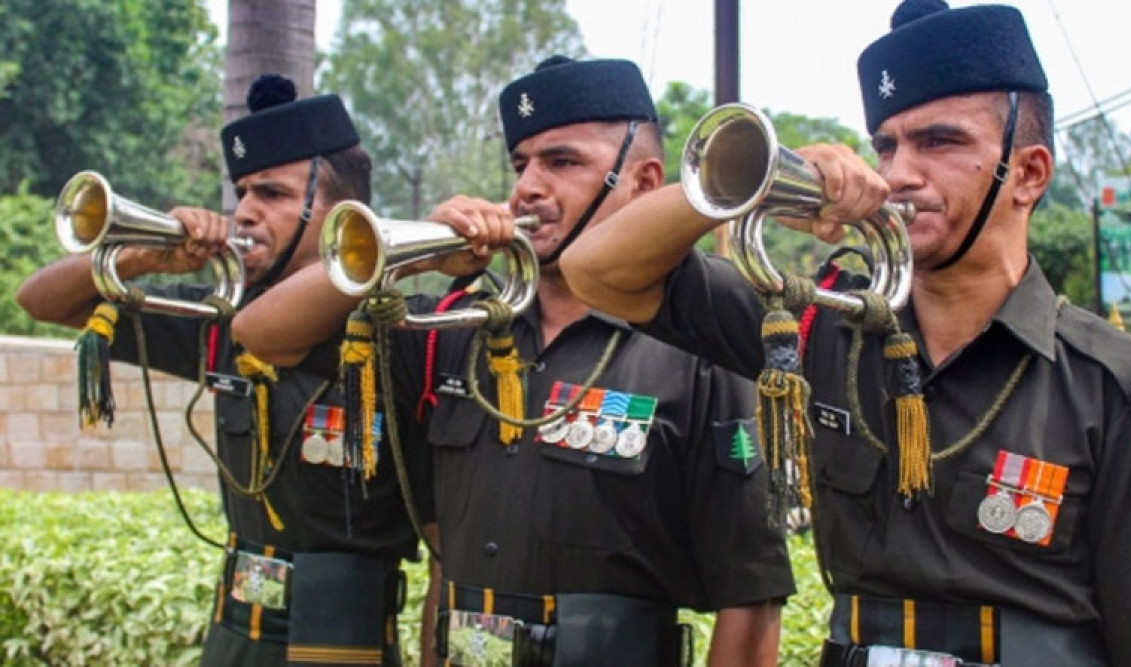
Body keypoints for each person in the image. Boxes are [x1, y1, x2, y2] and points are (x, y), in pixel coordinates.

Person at [560, 2, 1131, 665]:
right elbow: (597, 271)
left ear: (1028, 174)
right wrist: (751, 184)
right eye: (887, 144)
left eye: (940, 141)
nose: (900, 172)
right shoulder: (824, 329)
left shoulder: (1121, 384)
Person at [231, 56, 794, 666]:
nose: (527, 187)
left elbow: (750, 598)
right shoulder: (457, 328)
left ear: (643, 179)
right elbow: (264, 335)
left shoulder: (699, 349)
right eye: (520, 164)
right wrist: (418, 252)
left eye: (562, 162)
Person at [17, 74, 430, 666]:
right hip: (237, 632)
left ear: (345, 213)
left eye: (273, 195)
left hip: (344, 642)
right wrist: (143, 253)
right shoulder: (219, 317)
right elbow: (44, 302)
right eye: (241, 194)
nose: (245, 214)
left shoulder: (405, 335)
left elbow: (444, 536)